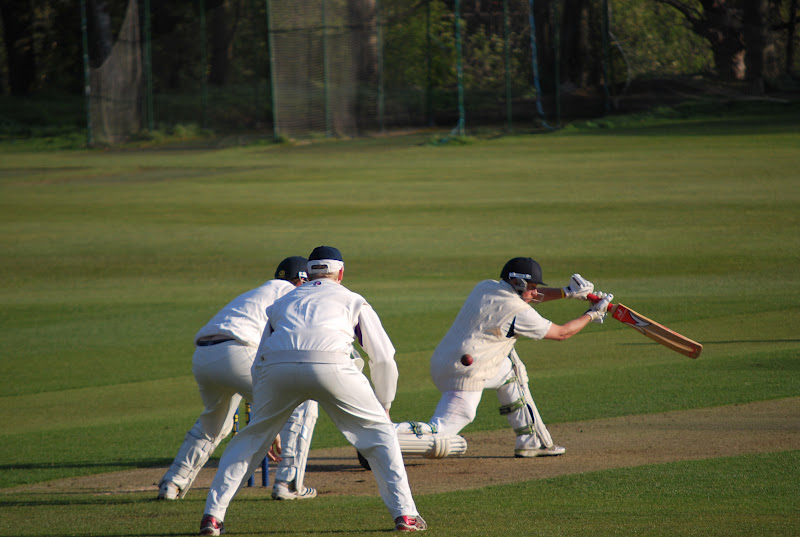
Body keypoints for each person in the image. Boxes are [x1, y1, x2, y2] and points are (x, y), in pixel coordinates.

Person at [199, 246, 426, 536]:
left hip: (277, 368)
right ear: (340, 273)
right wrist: (385, 403)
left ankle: (212, 517)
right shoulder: (353, 299)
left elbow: (260, 359)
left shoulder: (284, 300)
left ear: (310, 272)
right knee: (382, 437)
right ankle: (405, 516)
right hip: (332, 365)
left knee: (251, 439)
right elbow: (382, 357)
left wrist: (262, 414)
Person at [394, 257, 612, 460]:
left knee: (510, 371)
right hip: (467, 373)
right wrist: (592, 313)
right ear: (517, 282)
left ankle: (531, 440)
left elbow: (530, 298)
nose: (535, 292)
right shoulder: (518, 312)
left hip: (444, 362)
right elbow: (562, 333)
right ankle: (384, 433)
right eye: (532, 286)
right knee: (441, 431)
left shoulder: (486, 287)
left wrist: (568, 292)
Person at [158, 256, 320, 502]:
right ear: (301, 279)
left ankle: (172, 484)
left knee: (215, 424)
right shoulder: (287, 291)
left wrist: (269, 419)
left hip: (204, 354)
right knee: (303, 399)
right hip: (238, 349)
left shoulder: (260, 292)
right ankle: (288, 484)